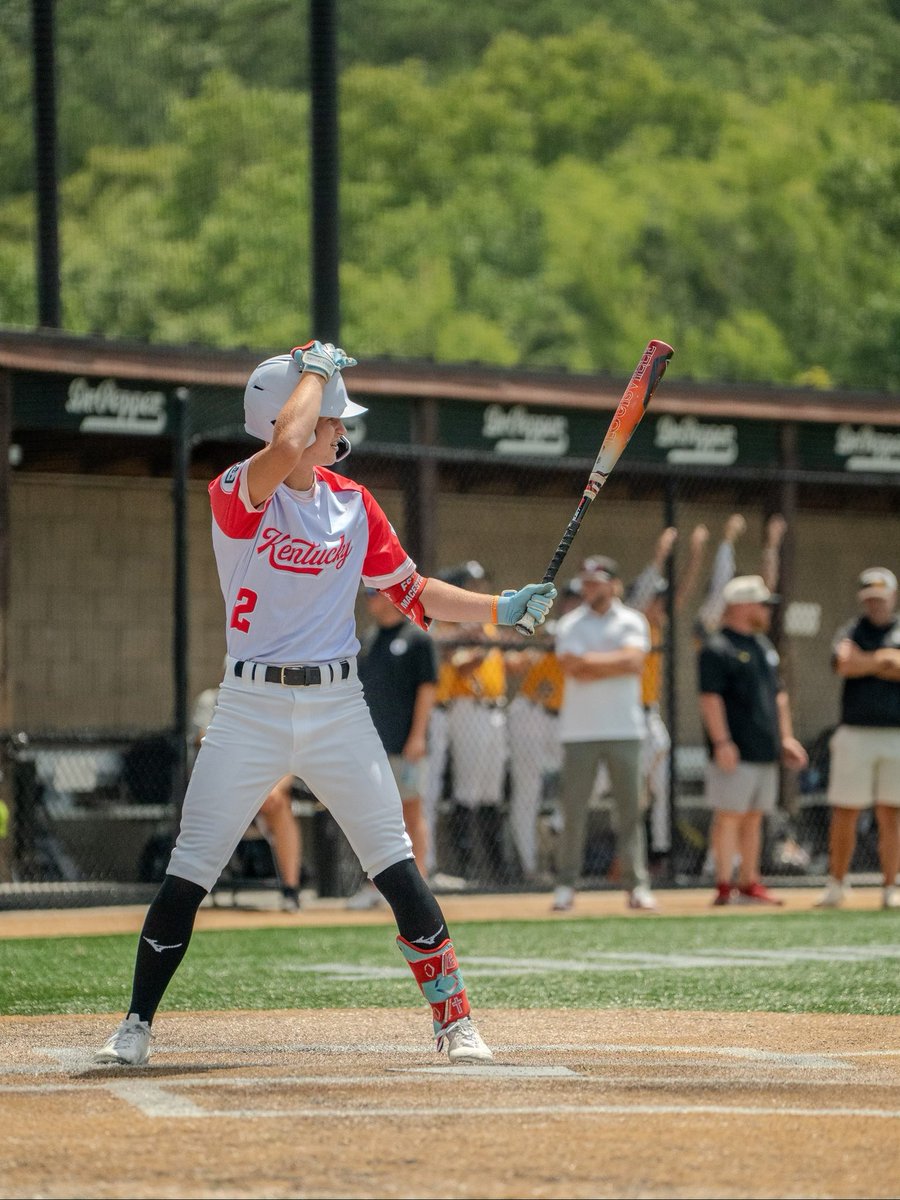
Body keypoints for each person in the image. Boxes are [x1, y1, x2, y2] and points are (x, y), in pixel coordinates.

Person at [93, 339, 556, 1068]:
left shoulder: (353, 503)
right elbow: (285, 446)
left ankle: (456, 1021)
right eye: (332, 418)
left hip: (337, 705)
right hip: (249, 707)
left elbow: (413, 593)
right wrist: (312, 372)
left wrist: (500, 607)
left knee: (394, 861)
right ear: (296, 418)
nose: (342, 429)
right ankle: (136, 1024)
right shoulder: (239, 491)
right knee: (192, 866)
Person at [551, 555, 656, 913]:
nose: (589, 588)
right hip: (578, 732)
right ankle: (566, 885)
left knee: (630, 813)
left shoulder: (633, 620)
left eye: (596, 582)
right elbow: (571, 667)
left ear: (614, 585)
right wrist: (614, 661)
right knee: (574, 811)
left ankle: (636, 886)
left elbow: (635, 662)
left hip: (625, 729)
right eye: (586, 582)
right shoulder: (570, 623)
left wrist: (589, 662)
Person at [698, 574, 808, 906]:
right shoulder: (717, 647)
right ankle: (723, 885)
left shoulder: (762, 646)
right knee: (729, 815)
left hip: (764, 749)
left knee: (755, 817)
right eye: (761, 604)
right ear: (741, 605)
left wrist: (785, 738)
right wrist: (722, 742)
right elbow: (710, 698)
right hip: (735, 749)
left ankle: (749, 881)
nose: (766, 611)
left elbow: (779, 696)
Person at [347, 585, 439, 909]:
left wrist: (418, 736)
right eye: (369, 595)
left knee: (410, 811)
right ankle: (379, 887)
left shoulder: (417, 638)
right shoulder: (368, 640)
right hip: (373, 745)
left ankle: (420, 884)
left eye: (375, 593)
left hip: (405, 744)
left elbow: (427, 689)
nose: (370, 599)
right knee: (377, 817)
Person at [816, 567, 900, 910]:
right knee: (845, 810)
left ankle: (891, 885)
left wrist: (865, 661)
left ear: (893, 597)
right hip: (855, 732)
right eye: (869, 599)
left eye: (880, 598)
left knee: (891, 813)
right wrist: (883, 661)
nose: (875, 605)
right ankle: (836, 884)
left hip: (895, 734)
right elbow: (844, 664)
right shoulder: (851, 629)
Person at [626, 524, 708, 863]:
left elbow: (682, 594)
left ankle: (660, 851)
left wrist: (695, 555)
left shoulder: (657, 626)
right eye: (655, 600)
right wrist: (659, 556)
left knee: (662, 785)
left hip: (650, 714)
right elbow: (642, 595)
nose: (660, 605)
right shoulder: (631, 622)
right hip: (627, 716)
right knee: (623, 788)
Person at [192, 685, 303, 912]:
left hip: (264, 793)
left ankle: (290, 892)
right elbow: (205, 743)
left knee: (280, 803)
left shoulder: (272, 704)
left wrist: (272, 790)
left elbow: (291, 758)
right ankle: (192, 890)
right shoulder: (212, 699)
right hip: (224, 787)